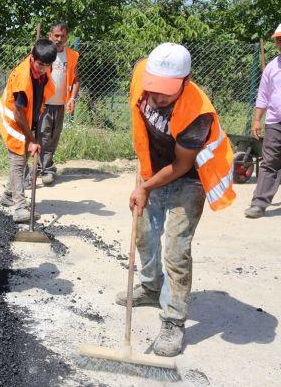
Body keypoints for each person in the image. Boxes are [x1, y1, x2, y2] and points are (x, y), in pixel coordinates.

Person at [118, 43, 236, 357]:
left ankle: (173, 321)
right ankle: (151, 286)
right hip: (153, 171)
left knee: (176, 251)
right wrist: (144, 175)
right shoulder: (141, 74)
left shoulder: (198, 114)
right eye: (153, 89)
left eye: (166, 92)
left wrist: (145, 187)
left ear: (187, 80)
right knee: (143, 234)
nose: (157, 98)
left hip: (189, 179)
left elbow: (182, 165)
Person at [0, 39, 58, 223]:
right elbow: (18, 113)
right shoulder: (23, 78)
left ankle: (9, 194)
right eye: (40, 64)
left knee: (22, 156)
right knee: (18, 159)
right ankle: (20, 207)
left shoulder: (45, 69)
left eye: (47, 65)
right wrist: (31, 139)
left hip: (27, 117)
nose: (43, 69)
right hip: (13, 119)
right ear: (32, 58)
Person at [244, 23, 281, 218]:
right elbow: (263, 96)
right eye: (278, 39)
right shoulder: (272, 68)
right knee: (269, 162)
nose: (280, 42)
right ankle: (259, 204)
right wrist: (257, 120)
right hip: (275, 121)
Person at [38, 23, 80, 185]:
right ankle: (40, 169)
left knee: (53, 138)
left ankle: (46, 168)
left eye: (62, 36)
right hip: (43, 104)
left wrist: (72, 98)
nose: (59, 39)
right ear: (50, 36)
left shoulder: (72, 56)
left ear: (67, 38)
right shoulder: (44, 54)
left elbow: (76, 80)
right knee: (41, 135)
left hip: (60, 104)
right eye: (56, 36)